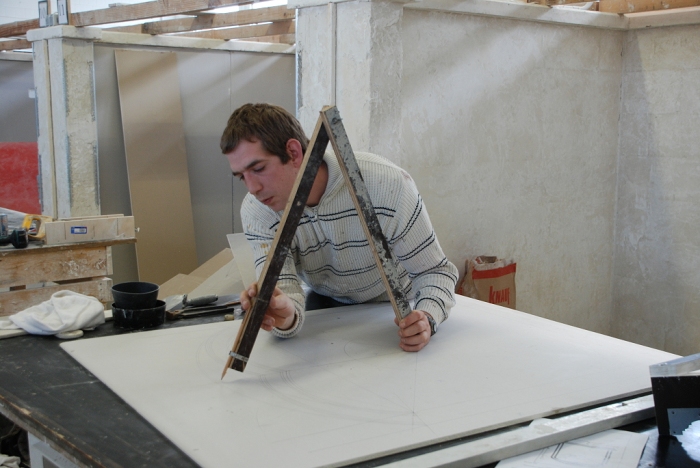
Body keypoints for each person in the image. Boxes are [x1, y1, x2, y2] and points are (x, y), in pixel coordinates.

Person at [220, 103, 458, 352]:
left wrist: (427, 318)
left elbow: (435, 272)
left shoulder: (386, 185)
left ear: (293, 152)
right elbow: (284, 292)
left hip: (394, 310)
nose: (252, 188)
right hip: (328, 308)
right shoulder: (258, 211)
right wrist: (285, 315)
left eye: (258, 169)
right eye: (241, 176)